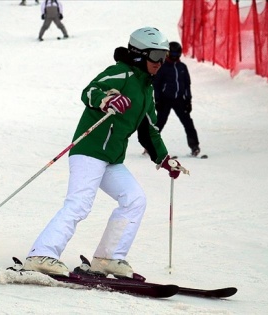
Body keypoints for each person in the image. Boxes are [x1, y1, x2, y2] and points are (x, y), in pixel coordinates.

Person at [23, 27, 186, 277]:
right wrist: (106, 100)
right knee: (79, 204)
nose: (160, 62)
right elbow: (89, 91)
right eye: (155, 55)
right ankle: (41, 254)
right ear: (140, 54)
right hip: (89, 150)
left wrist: (164, 159)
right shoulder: (121, 72)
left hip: (111, 158)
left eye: (163, 56)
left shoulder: (146, 89)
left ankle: (109, 258)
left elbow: (150, 131)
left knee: (134, 199)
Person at [152, 41, 201, 157]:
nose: (174, 56)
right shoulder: (163, 67)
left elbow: (187, 85)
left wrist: (188, 101)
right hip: (165, 99)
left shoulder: (182, 67)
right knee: (159, 123)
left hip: (179, 100)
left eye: (176, 54)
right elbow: (156, 85)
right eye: (172, 54)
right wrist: (157, 99)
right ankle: (150, 146)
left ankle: (194, 146)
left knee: (188, 123)